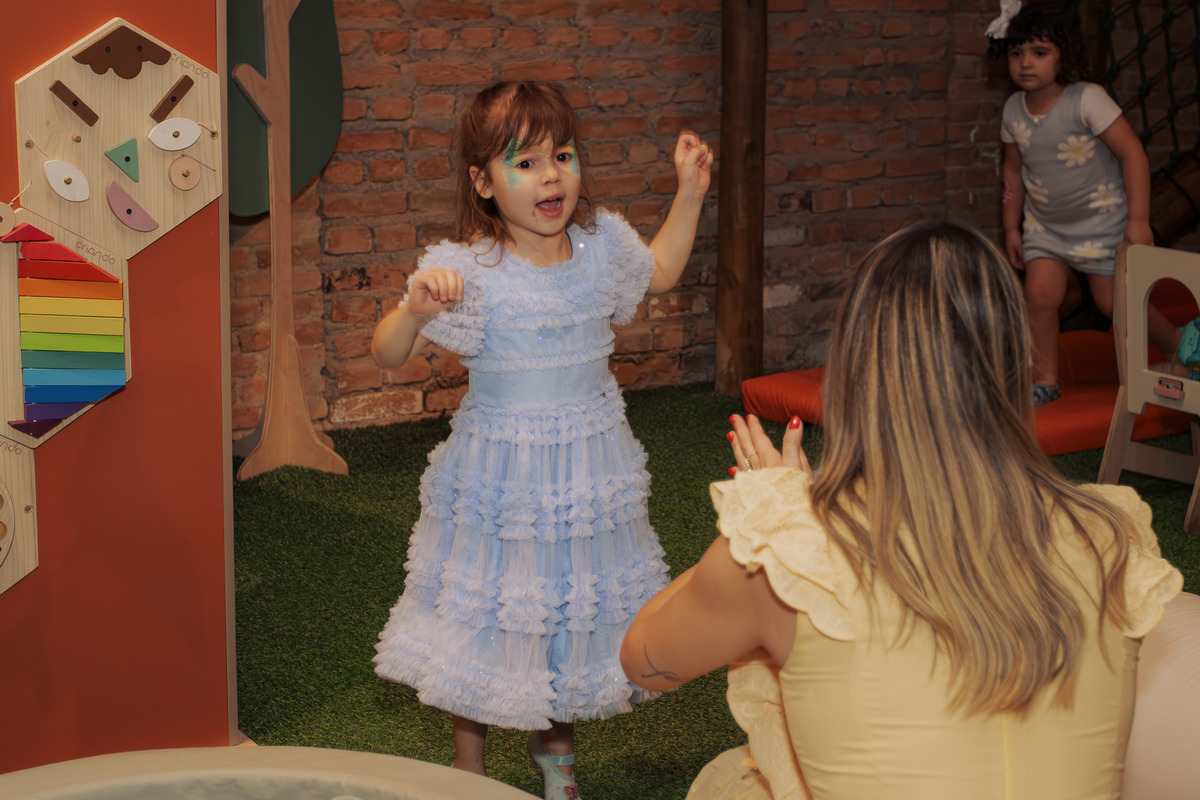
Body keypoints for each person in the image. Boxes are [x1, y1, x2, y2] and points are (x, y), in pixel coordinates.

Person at [620, 221, 1183, 799]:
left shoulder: (784, 552)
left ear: (853, 374)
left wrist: (769, 513)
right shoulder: (1109, 534)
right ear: (1015, 368)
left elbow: (642, 658)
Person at [371, 80, 713, 800]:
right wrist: (414, 309)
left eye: (562, 155)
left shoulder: (600, 248)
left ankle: (558, 758)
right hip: (502, 478)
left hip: (587, 469)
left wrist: (689, 192)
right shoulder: (467, 270)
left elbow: (660, 272)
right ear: (483, 183)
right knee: (487, 610)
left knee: (566, 610)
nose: (550, 176)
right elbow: (388, 353)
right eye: (523, 162)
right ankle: (468, 763)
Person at [992, 1, 1181, 405]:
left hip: (1102, 224)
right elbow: (1012, 171)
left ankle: (1177, 344)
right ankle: (1045, 379)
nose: (1025, 63)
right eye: (1016, 53)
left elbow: (1133, 154)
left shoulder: (1087, 99)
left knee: (1114, 303)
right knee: (1039, 297)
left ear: (1064, 55)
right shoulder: (1012, 111)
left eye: (1039, 52)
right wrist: (1011, 226)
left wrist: (1139, 218)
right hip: (1045, 227)